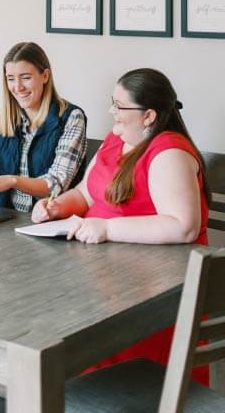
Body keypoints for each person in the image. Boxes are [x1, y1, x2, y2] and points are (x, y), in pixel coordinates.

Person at [32, 67, 210, 384]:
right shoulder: (116, 139)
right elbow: (87, 193)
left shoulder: (168, 151)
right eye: (111, 102)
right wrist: (57, 206)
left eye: (119, 105)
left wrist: (107, 228)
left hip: (150, 300)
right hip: (103, 281)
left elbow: (183, 226)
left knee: (55, 348)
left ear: (149, 116)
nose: (111, 111)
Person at [0, 41, 87, 212]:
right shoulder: (4, 117)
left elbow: (56, 184)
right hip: (4, 219)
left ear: (45, 76)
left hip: (49, 221)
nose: (18, 87)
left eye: (26, 77)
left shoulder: (71, 118)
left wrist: (13, 180)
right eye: (11, 79)